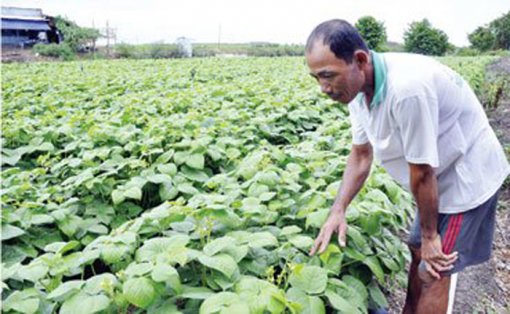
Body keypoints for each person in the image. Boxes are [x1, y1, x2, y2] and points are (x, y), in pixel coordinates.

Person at [306, 19, 509, 314]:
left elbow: (423, 172)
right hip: (436, 176)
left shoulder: (407, 90)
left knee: (435, 269)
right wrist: (338, 210)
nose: (323, 88)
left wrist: (431, 237)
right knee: (418, 254)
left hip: (466, 176)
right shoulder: (354, 89)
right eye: (316, 78)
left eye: (327, 76)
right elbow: (361, 155)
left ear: (359, 60)